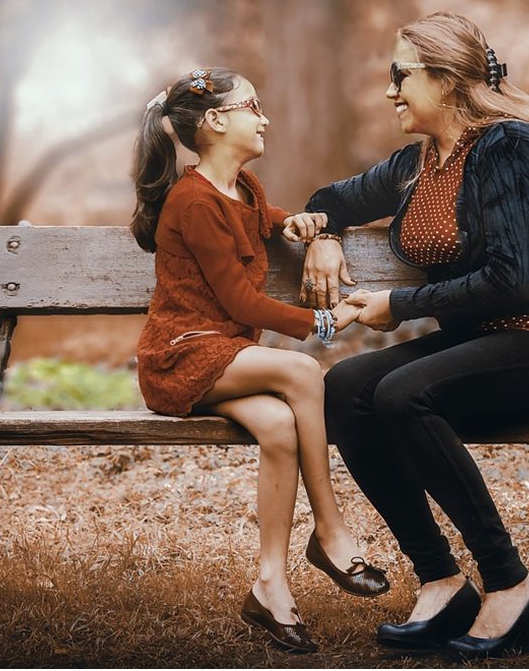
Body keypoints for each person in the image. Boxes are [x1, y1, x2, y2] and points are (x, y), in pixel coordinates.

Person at [294, 12, 529, 660]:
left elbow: (510, 282)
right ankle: (440, 579)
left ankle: (509, 584)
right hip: (486, 341)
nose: (390, 91)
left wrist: (399, 303)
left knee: (403, 393)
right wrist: (324, 237)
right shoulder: (418, 163)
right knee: (348, 386)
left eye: (399, 75)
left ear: (442, 80)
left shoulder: (509, 148)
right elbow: (332, 195)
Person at [129, 67, 389, 654]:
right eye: (253, 106)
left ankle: (270, 585)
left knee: (277, 426)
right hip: (180, 356)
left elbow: (262, 222)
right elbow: (241, 302)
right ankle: (330, 530)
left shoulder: (242, 188)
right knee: (301, 370)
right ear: (217, 122)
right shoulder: (191, 201)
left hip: (224, 354)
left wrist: (301, 225)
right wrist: (329, 320)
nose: (264, 116)